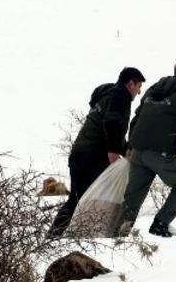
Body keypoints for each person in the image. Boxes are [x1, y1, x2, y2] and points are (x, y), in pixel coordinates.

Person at [48, 66, 145, 237]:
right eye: (138, 87)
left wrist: (124, 148)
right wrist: (115, 150)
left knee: (77, 198)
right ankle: (87, 234)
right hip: (93, 155)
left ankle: (55, 234)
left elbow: (106, 126)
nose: (138, 92)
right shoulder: (120, 96)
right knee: (96, 197)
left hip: (79, 153)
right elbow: (112, 122)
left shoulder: (107, 96)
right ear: (131, 83)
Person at [119, 55, 176, 238]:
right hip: (159, 151)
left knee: (133, 195)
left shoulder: (155, 88)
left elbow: (137, 116)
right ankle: (161, 224)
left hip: (139, 150)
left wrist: (131, 144)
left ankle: (120, 230)